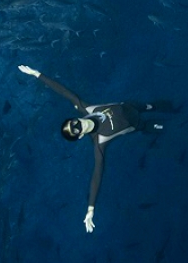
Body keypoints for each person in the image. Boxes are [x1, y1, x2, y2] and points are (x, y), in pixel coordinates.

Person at [17, 64, 178, 233]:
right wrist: (90, 210)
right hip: (139, 124)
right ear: (79, 136)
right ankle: (166, 126)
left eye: (74, 123)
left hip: (131, 106)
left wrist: (36, 74)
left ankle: (167, 108)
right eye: (76, 130)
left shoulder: (85, 108)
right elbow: (96, 175)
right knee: (161, 127)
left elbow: (63, 92)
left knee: (151, 106)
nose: (78, 125)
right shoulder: (100, 142)